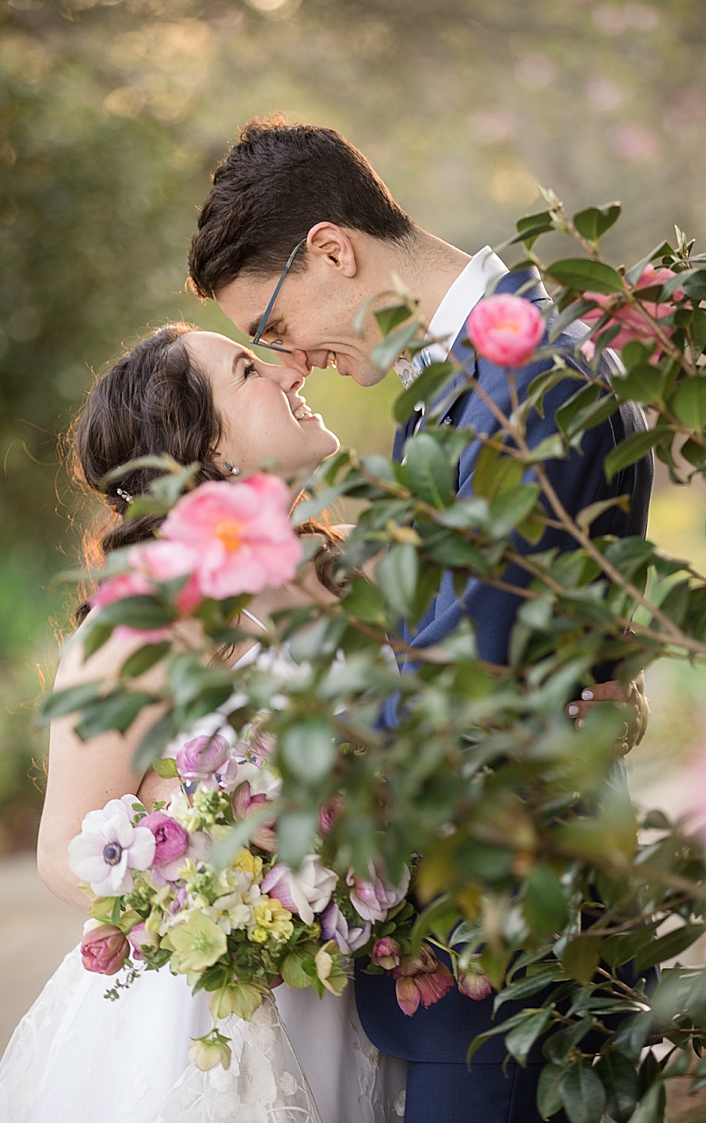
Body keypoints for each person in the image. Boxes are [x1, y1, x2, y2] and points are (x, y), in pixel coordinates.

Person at [186, 116, 652, 1123]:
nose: (291, 362)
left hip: (512, 956)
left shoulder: (528, 371)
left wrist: (277, 761)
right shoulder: (458, 384)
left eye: (271, 328)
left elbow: (461, 692)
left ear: (333, 250)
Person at [0, 324, 406, 1123]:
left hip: (347, 997)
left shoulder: (350, 573)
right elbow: (62, 850)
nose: (287, 370)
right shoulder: (139, 628)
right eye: (248, 367)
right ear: (209, 449)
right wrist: (230, 917)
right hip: (207, 1020)